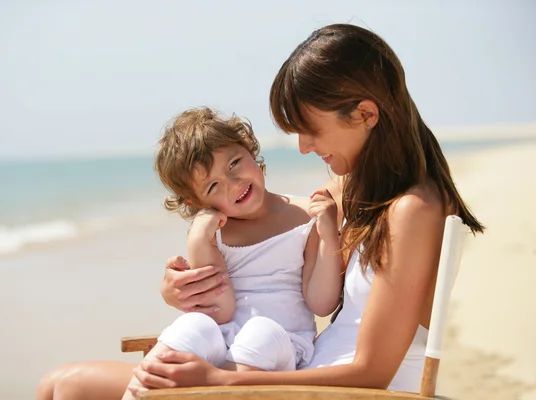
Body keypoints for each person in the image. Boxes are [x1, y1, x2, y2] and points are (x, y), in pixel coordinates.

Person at [37, 23, 484, 399]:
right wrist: (180, 286)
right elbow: (273, 225)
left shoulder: (412, 209)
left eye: (310, 131)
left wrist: (223, 378)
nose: (304, 148)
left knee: (71, 388)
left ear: (366, 113)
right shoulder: (361, 189)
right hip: (297, 375)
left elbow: (372, 372)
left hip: (333, 391)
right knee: (60, 384)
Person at [121, 107, 342, 398]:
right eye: (213, 186)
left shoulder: (304, 215)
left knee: (260, 330)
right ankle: (138, 394)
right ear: (196, 202)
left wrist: (329, 237)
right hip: (226, 342)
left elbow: (321, 303)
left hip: (283, 346)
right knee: (192, 324)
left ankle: (217, 389)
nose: (233, 183)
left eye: (234, 163)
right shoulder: (214, 233)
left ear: (249, 148)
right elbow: (220, 311)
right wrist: (199, 241)